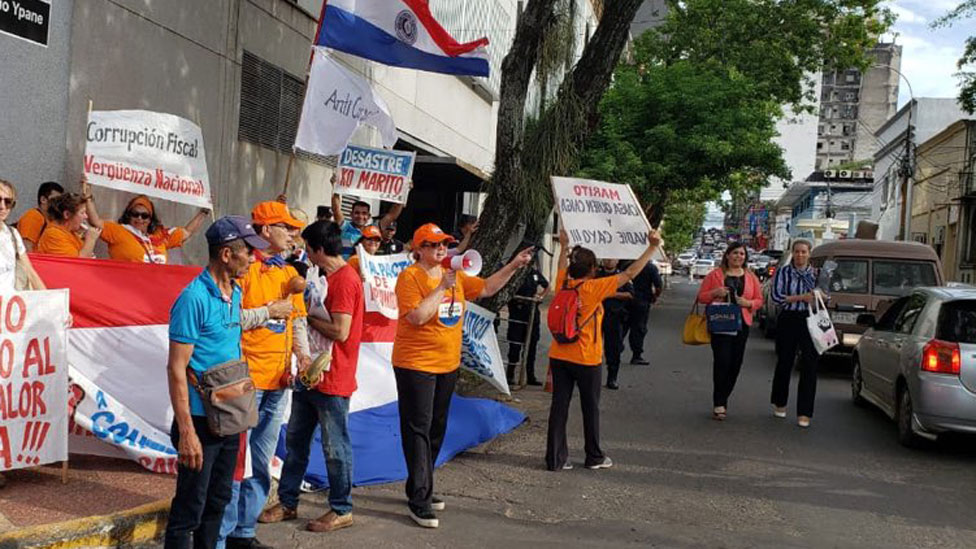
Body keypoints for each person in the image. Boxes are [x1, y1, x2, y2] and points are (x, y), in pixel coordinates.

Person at [392, 223, 533, 528]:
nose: (440, 249)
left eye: (444, 244)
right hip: (416, 364)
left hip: (446, 364)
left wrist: (514, 264)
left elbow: (487, 288)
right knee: (418, 428)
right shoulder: (410, 277)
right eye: (432, 245)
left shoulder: (455, 277)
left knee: (436, 428)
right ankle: (419, 498)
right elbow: (416, 317)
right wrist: (442, 287)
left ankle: (421, 486)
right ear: (418, 249)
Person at [163, 216, 270, 549]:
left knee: (219, 499)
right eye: (248, 252)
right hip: (199, 420)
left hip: (230, 416)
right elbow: (176, 369)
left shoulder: (235, 292)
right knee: (189, 508)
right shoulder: (193, 298)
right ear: (226, 254)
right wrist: (187, 434)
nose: (254, 259)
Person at [259, 221, 364, 533]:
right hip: (310, 375)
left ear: (319, 250)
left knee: (335, 447)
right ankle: (288, 501)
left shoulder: (345, 281)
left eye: (307, 247)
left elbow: (341, 331)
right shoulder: (323, 276)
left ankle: (341, 508)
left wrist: (303, 315)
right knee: (296, 441)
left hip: (333, 377)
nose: (304, 252)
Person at [219, 201, 310, 549]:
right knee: (236, 462)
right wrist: (267, 311)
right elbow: (229, 321)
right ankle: (224, 533)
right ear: (265, 230)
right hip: (247, 381)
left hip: (279, 381)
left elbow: (297, 320)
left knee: (260, 461)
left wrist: (302, 355)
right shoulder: (242, 270)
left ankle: (245, 532)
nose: (292, 234)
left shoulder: (287, 273)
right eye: (285, 227)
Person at [545, 228, 661, 472]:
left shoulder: (563, 282)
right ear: (592, 269)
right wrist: (651, 247)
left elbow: (560, 264)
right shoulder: (592, 288)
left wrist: (565, 245)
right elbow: (630, 273)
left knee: (559, 407)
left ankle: (555, 459)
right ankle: (594, 456)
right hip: (586, 358)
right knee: (590, 407)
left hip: (558, 355)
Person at [696, 242, 763, 420]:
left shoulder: (751, 277)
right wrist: (714, 293)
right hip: (721, 323)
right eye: (735, 253)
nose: (738, 257)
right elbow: (701, 297)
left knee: (735, 363)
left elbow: (759, 300)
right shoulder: (715, 275)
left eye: (742, 254)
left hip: (742, 324)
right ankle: (719, 403)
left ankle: (723, 395)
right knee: (722, 361)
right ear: (727, 255)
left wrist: (747, 303)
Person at [81, 180, 209, 263]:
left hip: (155, 293)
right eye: (135, 214)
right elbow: (95, 221)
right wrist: (87, 196)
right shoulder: (119, 231)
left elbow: (186, 232)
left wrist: (204, 211)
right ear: (128, 215)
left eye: (144, 215)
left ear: (150, 219)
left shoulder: (161, 236)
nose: (139, 218)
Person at [770, 239, 822, 428]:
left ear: (809, 254)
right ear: (792, 253)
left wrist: (818, 296)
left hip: (810, 319)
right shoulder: (783, 272)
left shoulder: (817, 274)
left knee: (810, 364)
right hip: (789, 318)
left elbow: (827, 294)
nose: (800, 255)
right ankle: (780, 402)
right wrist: (800, 297)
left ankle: (805, 412)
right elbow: (776, 297)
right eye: (797, 252)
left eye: (804, 252)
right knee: (785, 361)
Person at [505, 254, 549, 386]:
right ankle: (510, 375)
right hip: (517, 313)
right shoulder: (515, 273)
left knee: (531, 346)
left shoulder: (534, 273)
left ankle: (530, 376)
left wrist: (540, 296)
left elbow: (546, 285)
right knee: (515, 346)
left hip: (532, 313)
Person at [0, 179, 47, 292]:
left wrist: (50, 303)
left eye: (8, 202)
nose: (2, 207)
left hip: (9, 305)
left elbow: (30, 272)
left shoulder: (13, 235)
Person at [331, 191, 404, 259]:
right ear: (351, 215)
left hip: (364, 271)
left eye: (364, 213)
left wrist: (403, 192)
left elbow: (391, 216)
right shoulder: (344, 227)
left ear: (369, 216)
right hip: (347, 270)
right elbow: (336, 209)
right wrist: (336, 188)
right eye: (357, 213)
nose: (360, 216)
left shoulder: (373, 229)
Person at [597, 258, 633, 390]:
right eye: (606, 259)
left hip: (614, 317)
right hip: (595, 317)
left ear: (617, 261)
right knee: (591, 347)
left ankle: (612, 378)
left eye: (611, 259)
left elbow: (630, 294)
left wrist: (612, 294)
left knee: (613, 349)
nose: (608, 262)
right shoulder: (596, 275)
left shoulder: (621, 277)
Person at [35, 192, 101, 257]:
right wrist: (91, 240)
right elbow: (77, 263)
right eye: (82, 213)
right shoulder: (53, 235)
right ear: (67, 214)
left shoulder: (71, 232)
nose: (86, 216)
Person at [624, 261, 663, 365]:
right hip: (642, 301)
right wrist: (655, 296)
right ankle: (636, 355)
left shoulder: (626, 266)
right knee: (638, 329)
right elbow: (658, 285)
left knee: (621, 327)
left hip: (624, 301)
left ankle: (615, 351)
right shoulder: (650, 267)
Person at [16, 181, 63, 251]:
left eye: (60, 200)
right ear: (43, 200)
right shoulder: (33, 217)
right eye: (55, 200)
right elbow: (27, 248)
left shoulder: (47, 219)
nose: (58, 204)